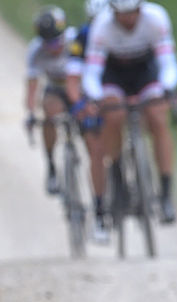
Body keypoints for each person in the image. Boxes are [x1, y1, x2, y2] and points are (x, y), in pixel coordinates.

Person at [82, 0, 177, 224]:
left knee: (157, 117)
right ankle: (117, 174)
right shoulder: (102, 25)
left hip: (146, 72)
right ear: (113, 11)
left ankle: (165, 194)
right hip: (114, 74)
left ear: (140, 9)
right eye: (121, 14)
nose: (127, 19)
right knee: (113, 115)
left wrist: (166, 88)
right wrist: (97, 98)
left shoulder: (156, 18)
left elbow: (167, 62)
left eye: (132, 13)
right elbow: (92, 71)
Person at [67, 0, 112, 240]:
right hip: (93, 97)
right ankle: (100, 211)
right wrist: (80, 104)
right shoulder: (82, 38)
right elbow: (73, 79)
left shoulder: (119, 32)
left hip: (116, 93)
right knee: (96, 152)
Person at [24, 5, 78, 196]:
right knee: (49, 114)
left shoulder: (76, 40)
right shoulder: (35, 51)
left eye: (57, 43)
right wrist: (30, 114)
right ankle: (52, 166)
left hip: (80, 88)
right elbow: (31, 87)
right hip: (55, 88)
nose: (53, 49)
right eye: (48, 45)